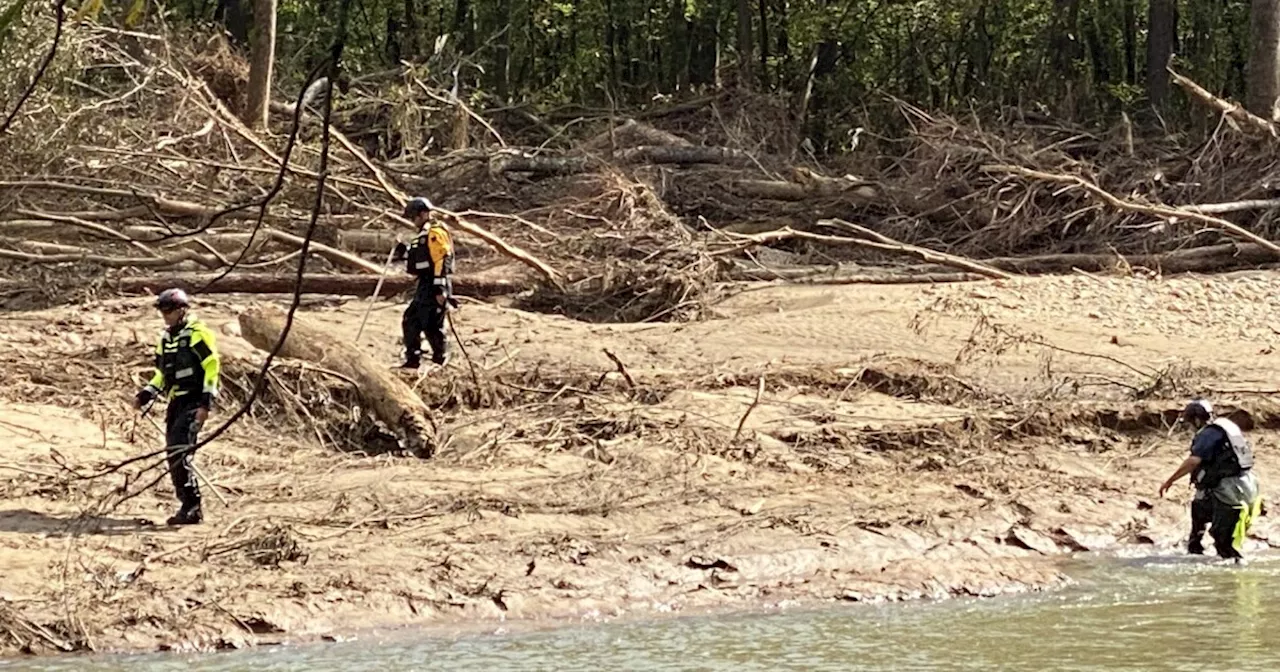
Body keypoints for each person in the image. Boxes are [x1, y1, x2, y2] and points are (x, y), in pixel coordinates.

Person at [133, 288, 221, 526]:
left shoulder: (198, 334)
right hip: (176, 402)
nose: (164, 315)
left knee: (179, 451)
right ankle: (188, 505)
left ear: (182, 310)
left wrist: (206, 403)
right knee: (172, 453)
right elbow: (162, 374)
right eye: (162, 310)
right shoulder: (166, 338)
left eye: (168, 310)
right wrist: (146, 393)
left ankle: (192, 507)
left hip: (194, 400)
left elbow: (212, 367)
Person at [1159, 399, 1263, 561]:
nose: (1189, 427)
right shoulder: (1224, 428)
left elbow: (1194, 461)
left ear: (1196, 420)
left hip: (1229, 490)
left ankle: (1233, 566)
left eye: (1189, 423)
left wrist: (1170, 481)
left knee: (1222, 540)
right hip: (1245, 485)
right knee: (1198, 511)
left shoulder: (1208, 434)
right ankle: (1194, 553)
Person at [392, 196, 455, 369]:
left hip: (434, 285)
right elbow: (420, 259)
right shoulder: (423, 234)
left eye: (414, 217)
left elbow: (443, 259)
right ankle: (413, 359)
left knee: (431, 324)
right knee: (412, 320)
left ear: (422, 214)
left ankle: (439, 359)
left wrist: (440, 287)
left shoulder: (435, 232)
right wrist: (403, 251)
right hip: (425, 284)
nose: (413, 221)